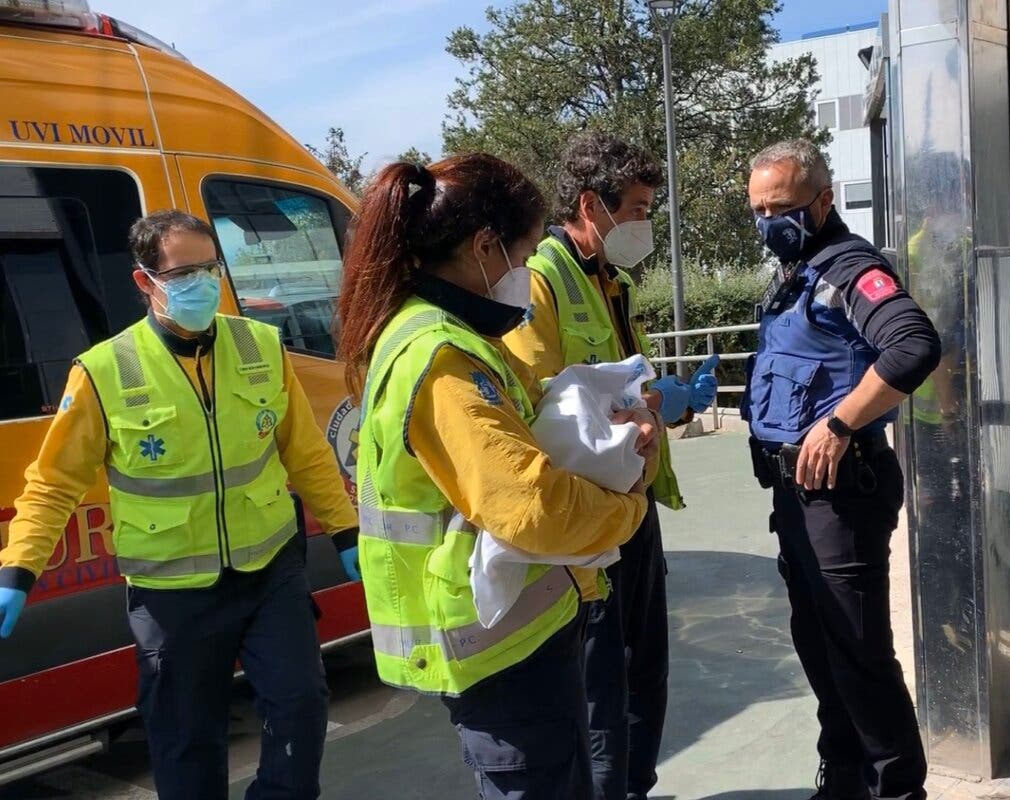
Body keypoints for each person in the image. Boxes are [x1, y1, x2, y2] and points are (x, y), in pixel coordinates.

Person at [0, 210, 360, 800]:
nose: (203, 284)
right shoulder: (105, 371)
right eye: (186, 272)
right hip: (172, 594)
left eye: (210, 268)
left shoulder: (259, 344)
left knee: (300, 704)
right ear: (146, 282)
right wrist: (19, 568)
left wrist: (346, 532)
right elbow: (53, 483)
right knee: (185, 739)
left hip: (270, 571)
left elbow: (306, 453)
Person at [336, 153, 659, 799]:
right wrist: (631, 495)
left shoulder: (449, 338)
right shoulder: (440, 356)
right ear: (485, 247)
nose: (527, 272)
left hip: (515, 630)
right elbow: (533, 507)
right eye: (524, 251)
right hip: (496, 647)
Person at [503, 132, 717, 800]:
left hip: (632, 502)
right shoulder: (540, 284)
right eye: (638, 209)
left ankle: (634, 788)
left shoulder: (612, 282)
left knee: (644, 666)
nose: (645, 224)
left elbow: (624, 384)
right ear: (591, 206)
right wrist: (644, 410)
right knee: (599, 682)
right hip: (587, 516)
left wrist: (666, 403)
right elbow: (541, 408)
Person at [742, 140, 941, 800]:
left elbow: (913, 344)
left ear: (823, 200)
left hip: (842, 493)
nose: (769, 220)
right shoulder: (792, 273)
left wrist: (838, 424)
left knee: (859, 659)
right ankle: (845, 779)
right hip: (797, 494)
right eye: (759, 209)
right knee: (822, 651)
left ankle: (897, 791)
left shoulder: (850, 270)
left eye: (783, 206)